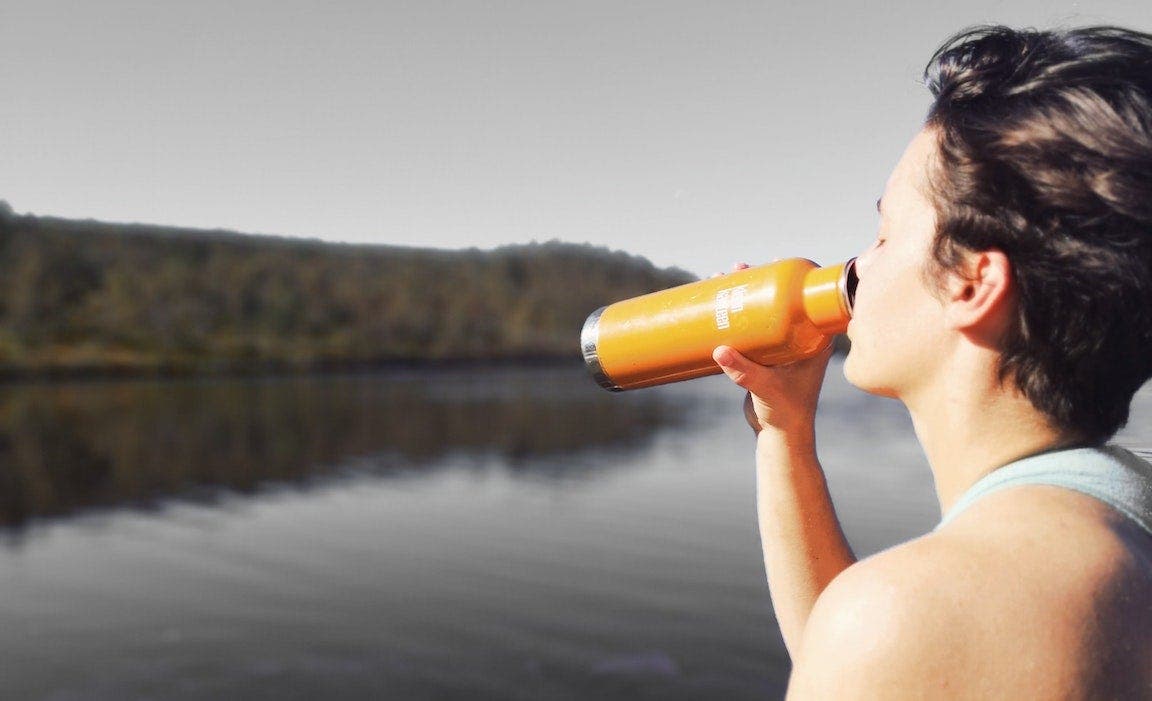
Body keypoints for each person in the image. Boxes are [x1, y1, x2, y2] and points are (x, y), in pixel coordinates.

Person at [712, 25, 1152, 698]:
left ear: (972, 285)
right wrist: (785, 434)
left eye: (885, 234)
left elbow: (877, 650)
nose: (856, 267)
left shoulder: (905, 615)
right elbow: (867, 664)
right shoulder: (1124, 512)